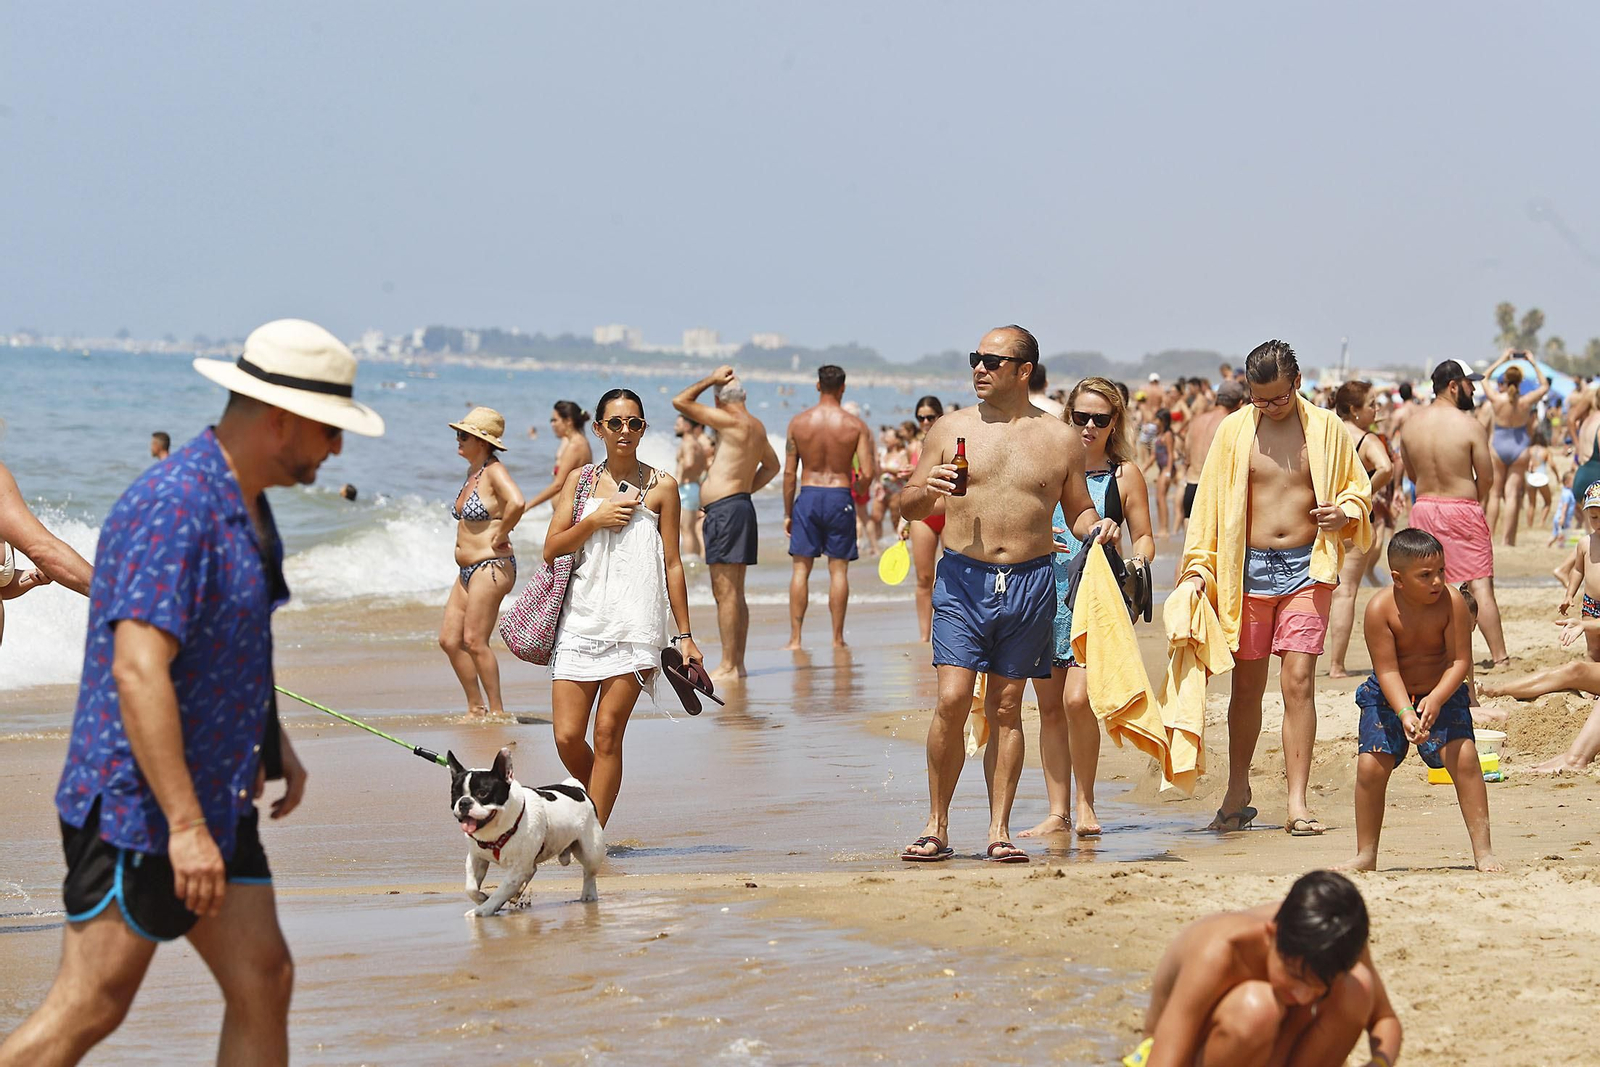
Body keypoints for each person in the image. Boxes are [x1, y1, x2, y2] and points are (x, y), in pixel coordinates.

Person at [0, 319, 382, 1067]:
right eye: (330, 429)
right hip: (141, 809)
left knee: (264, 978)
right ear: (282, 418)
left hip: (214, 800)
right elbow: (138, 669)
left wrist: (276, 743)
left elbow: (235, 643)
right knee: (90, 1006)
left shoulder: (251, 506)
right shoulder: (174, 505)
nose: (337, 448)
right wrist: (182, 826)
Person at [898, 326, 1116, 864]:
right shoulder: (950, 429)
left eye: (993, 361)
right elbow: (906, 503)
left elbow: (1077, 508)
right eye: (976, 358)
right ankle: (936, 825)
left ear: (1023, 371)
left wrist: (1098, 528)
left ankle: (999, 830)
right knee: (951, 699)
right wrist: (931, 490)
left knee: (1007, 705)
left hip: (1031, 580)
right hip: (963, 579)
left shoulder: (1061, 438)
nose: (979, 368)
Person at [1180, 340, 1371, 837]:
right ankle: (1237, 789)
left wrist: (1344, 512)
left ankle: (1297, 802)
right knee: (1246, 688)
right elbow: (1209, 508)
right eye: (1258, 399)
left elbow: (1357, 488)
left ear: (1298, 384)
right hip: (1246, 571)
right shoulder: (1233, 430)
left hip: (1309, 566)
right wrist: (1198, 569)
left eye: (1277, 399)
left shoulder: (1327, 430)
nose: (1268, 407)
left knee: (1299, 681)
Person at [542, 389, 702, 826]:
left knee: (608, 735)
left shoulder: (663, 487)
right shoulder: (580, 481)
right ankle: (600, 796)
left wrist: (685, 637)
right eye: (615, 423)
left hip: (636, 627)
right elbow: (551, 548)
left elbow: (673, 563)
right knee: (567, 736)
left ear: (644, 428)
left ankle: (589, 835)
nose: (625, 431)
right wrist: (594, 520)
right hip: (580, 621)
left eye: (634, 423)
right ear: (598, 429)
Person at [1017, 377, 1155, 840]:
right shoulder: (1049, 465)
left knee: (1078, 701)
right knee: (1050, 707)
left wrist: (1135, 559)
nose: (1090, 427)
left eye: (1101, 419)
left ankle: (1085, 802)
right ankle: (1058, 812)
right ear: (1068, 417)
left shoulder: (1124, 475)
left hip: (1094, 599)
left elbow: (1148, 540)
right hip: (1042, 594)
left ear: (1115, 422)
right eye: (1081, 417)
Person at [1336, 529, 1503, 873]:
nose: (1437, 581)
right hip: (1388, 695)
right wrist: (1405, 711)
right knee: (1370, 766)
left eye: (1441, 571)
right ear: (1397, 579)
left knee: (1466, 759)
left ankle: (1483, 852)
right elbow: (1387, 670)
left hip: (1442, 689)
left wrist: (1438, 698)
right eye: (1425, 575)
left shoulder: (1453, 602)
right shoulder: (1380, 609)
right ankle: (1366, 854)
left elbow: (1459, 662)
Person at [1126, 870, 1400, 1067]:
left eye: (1319, 987)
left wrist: (1379, 1062)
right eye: (1294, 976)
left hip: (1268, 1051)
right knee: (1257, 1008)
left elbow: (1384, 1020)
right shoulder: (1218, 952)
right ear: (1271, 934)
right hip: (1180, 1054)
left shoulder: (1337, 940)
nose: (1304, 996)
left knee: (1357, 989)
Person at [673, 367, 779, 681]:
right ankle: (737, 663)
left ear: (720, 398)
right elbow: (772, 466)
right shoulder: (756, 426)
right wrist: (741, 491)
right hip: (738, 507)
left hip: (728, 510)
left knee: (726, 591)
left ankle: (730, 665)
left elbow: (681, 401)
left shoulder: (729, 419)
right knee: (735, 591)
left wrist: (710, 380)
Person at [1401, 360, 1510, 667]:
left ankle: (1429, 655)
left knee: (1426, 586)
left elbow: (1411, 474)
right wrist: (1471, 500)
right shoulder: (1469, 425)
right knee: (1479, 584)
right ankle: (1500, 658)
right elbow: (1486, 477)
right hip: (1461, 507)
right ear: (1453, 385)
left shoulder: (1411, 426)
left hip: (1423, 508)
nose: (1473, 388)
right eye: (1469, 383)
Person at [781, 365, 874, 651]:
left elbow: (788, 474)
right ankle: (837, 639)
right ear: (843, 387)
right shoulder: (855, 426)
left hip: (808, 495)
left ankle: (796, 639)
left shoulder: (798, 422)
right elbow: (868, 472)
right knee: (838, 571)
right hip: (838, 496)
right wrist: (857, 490)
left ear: (818, 386)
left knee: (800, 570)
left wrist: (788, 512)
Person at [439, 407, 524, 717]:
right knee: (449, 640)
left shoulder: (493, 471)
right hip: (467, 571)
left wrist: (502, 532)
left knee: (474, 640)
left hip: (491, 566)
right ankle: (476, 707)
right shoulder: (473, 471)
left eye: (464, 435)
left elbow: (517, 501)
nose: (458, 440)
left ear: (482, 441)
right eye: (458, 434)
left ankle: (498, 711)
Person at [1327, 382, 1395, 678]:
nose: (1376, 409)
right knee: (1345, 592)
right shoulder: (1366, 439)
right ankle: (1336, 664)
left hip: (1318, 514)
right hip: (1351, 518)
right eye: (1371, 404)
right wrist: (1363, 494)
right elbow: (1387, 468)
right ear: (1354, 410)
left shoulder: (1324, 432)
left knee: (1307, 591)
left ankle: (1293, 659)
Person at [1481, 351, 1549, 547]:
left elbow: (1485, 376)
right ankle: (1507, 540)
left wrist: (1502, 359)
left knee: (1494, 495)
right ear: (1520, 382)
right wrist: (1533, 362)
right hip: (1520, 448)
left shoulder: (1497, 400)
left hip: (1498, 446)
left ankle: (1490, 538)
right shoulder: (1525, 401)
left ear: (1505, 380)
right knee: (1512, 495)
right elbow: (1545, 386)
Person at [1177, 379, 1243, 554]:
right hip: (1213, 492)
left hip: (1191, 488)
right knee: (1218, 553)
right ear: (1240, 403)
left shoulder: (1197, 420)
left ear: (1216, 398)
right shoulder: (1232, 422)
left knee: (1189, 555)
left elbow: (1187, 456)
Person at [905, 395, 948, 643]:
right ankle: (924, 636)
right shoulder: (912, 447)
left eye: (930, 417)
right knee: (923, 577)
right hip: (922, 516)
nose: (925, 422)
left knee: (950, 576)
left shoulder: (947, 443)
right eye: (920, 417)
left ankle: (945, 631)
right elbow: (910, 488)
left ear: (939, 417)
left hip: (946, 511)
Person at [1555, 482, 1600, 661]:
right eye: (1594, 517)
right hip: (1591, 604)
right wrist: (1569, 595)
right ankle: (1591, 687)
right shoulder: (1585, 543)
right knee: (1593, 649)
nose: (1598, 522)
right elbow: (1578, 570)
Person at [523, 401, 594, 512]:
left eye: (555, 420)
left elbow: (558, 485)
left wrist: (528, 506)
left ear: (568, 421)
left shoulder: (575, 446)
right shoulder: (577, 441)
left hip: (568, 516)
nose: (552, 424)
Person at [674, 413, 713, 559]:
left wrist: (679, 477)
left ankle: (691, 560)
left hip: (687, 488)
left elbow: (689, 462)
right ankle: (697, 559)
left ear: (687, 426)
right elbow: (703, 465)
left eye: (678, 424)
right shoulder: (698, 443)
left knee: (686, 529)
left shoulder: (687, 442)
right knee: (691, 528)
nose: (675, 427)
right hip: (695, 487)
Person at [1147, 409, 1179, 539]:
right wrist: (1143, 468)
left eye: (1157, 419)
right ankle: (1161, 528)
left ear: (1163, 421)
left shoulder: (1168, 435)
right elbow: (1153, 456)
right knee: (1158, 499)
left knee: (1161, 498)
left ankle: (1165, 529)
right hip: (1161, 469)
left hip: (1167, 468)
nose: (1155, 422)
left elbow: (1171, 454)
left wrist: (1168, 472)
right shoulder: (1159, 434)